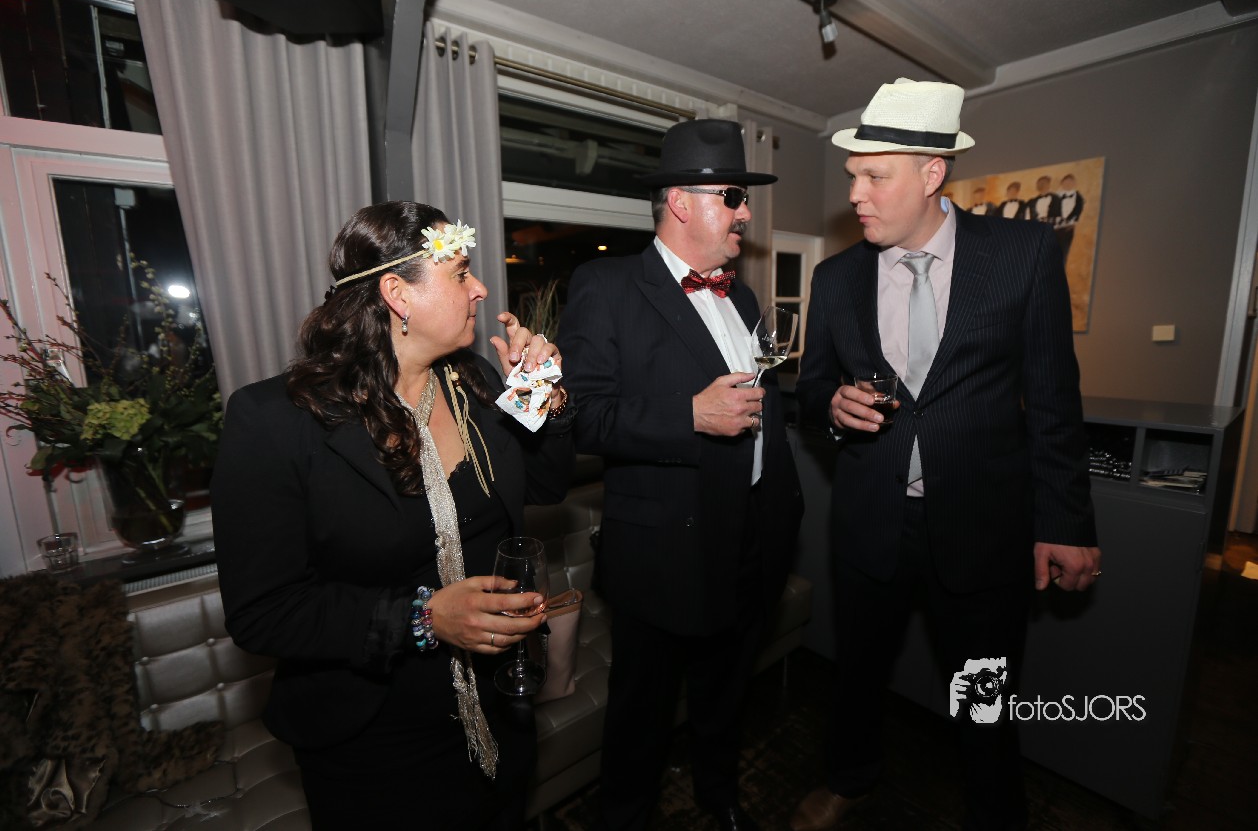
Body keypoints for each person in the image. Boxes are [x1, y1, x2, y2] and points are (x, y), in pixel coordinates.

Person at [791, 78, 1101, 831]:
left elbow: (1054, 400)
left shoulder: (1024, 254)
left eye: (874, 176)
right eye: (853, 177)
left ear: (932, 173)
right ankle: (851, 778)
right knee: (858, 671)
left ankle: (995, 812)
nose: (855, 195)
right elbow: (811, 390)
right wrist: (830, 406)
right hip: (871, 521)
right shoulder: (835, 278)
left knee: (984, 692)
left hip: (983, 524)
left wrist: (1066, 522)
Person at [211, 201, 576, 830]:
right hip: (373, 738)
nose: (480, 289)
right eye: (460, 273)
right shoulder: (273, 422)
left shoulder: (475, 381)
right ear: (396, 294)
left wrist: (540, 391)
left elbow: (546, 484)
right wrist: (425, 617)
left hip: (501, 697)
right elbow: (263, 611)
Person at [558, 118, 803, 831]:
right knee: (643, 710)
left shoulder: (744, 298)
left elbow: (762, 403)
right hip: (664, 547)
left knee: (727, 691)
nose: (746, 212)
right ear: (681, 202)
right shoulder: (606, 285)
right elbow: (583, 417)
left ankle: (719, 795)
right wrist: (689, 415)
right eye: (734, 196)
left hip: (752, 534)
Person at [1054, 173, 1085, 259]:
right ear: (1061, 183)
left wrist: (1072, 221)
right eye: (1066, 182)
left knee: (1063, 251)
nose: (1068, 184)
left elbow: (1078, 210)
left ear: (1074, 184)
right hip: (1054, 228)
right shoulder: (1055, 196)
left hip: (1068, 228)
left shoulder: (1078, 197)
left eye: (1070, 182)